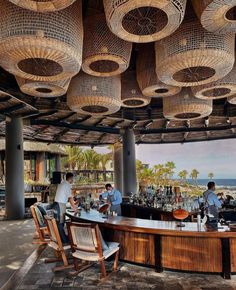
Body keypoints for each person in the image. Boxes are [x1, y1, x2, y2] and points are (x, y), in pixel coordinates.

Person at [53, 172, 77, 243]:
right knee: (61, 223)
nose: (73, 180)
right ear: (71, 178)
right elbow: (70, 198)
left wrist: (74, 205)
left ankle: (60, 238)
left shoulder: (62, 183)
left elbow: (68, 197)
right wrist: (75, 208)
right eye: (73, 178)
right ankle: (64, 240)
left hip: (57, 204)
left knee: (59, 223)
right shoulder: (67, 185)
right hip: (60, 205)